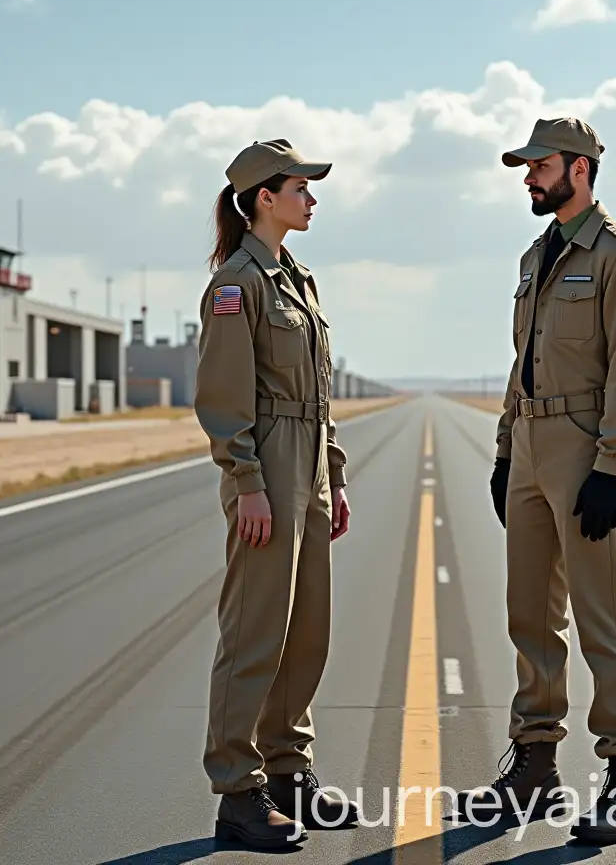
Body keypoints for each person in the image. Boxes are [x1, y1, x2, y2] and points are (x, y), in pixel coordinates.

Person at [465, 117, 616, 844]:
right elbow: (523, 363)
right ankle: (535, 769)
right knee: (529, 616)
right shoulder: (532, 257)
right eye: (525, 166)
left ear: (579, 169)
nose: (527, 177)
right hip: (529, 444)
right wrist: (503, 453)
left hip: (585, 448)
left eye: (538, 165)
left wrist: (612, 465)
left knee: (601, 617)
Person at [193, 138, 358, 849]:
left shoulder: (298, 278)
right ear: (265, 196)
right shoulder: (238, 284)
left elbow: (316, 394)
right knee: (255, 632)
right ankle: (237, 790)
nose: (312, 200)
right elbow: (224, 401)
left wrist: (335, 475)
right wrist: (248, 485)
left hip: (310, 466)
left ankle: (290, 772)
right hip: (267, 466)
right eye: (301, 188)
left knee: (307, 631)